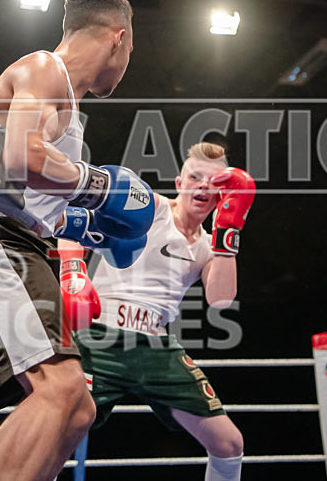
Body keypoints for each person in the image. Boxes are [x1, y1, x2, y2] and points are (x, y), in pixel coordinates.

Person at [0, 0, 155, 481]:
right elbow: (20, 159)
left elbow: (40, 203)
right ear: (118, 38)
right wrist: (98, 185)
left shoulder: (68, 105)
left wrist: (95, 226)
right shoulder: (43, 69)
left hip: (16, 238)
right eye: (132, 49)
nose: (128, 61)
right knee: (60, 390)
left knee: (78, 410)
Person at [70, 142, 255, 481]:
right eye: (195, 177)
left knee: (229, 443)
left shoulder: (209, 244)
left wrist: (228, 229)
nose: (202, 185)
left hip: (157, 347)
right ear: (180, 183)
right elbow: (71, 220)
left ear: (222, 193)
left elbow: (221, 299)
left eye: (213, 182)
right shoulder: (149, 208)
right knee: (55, 433)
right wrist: (72, 271)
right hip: (99, 337)